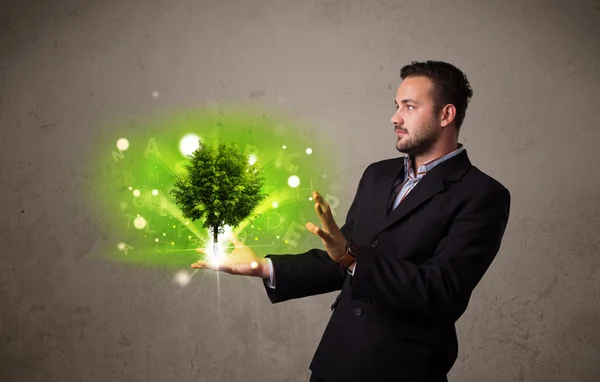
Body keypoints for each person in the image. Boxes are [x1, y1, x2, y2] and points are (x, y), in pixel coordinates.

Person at [192, 60, 511, 382]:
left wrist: (349, 255)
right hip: (336, 361)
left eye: (410, 107)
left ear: (446, 115)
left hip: (405, 370)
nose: (395, 117)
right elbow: (342, 257)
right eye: (397, 106)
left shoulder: (482, 195)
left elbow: (441, 291)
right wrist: (264, 267)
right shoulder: (378, 174)